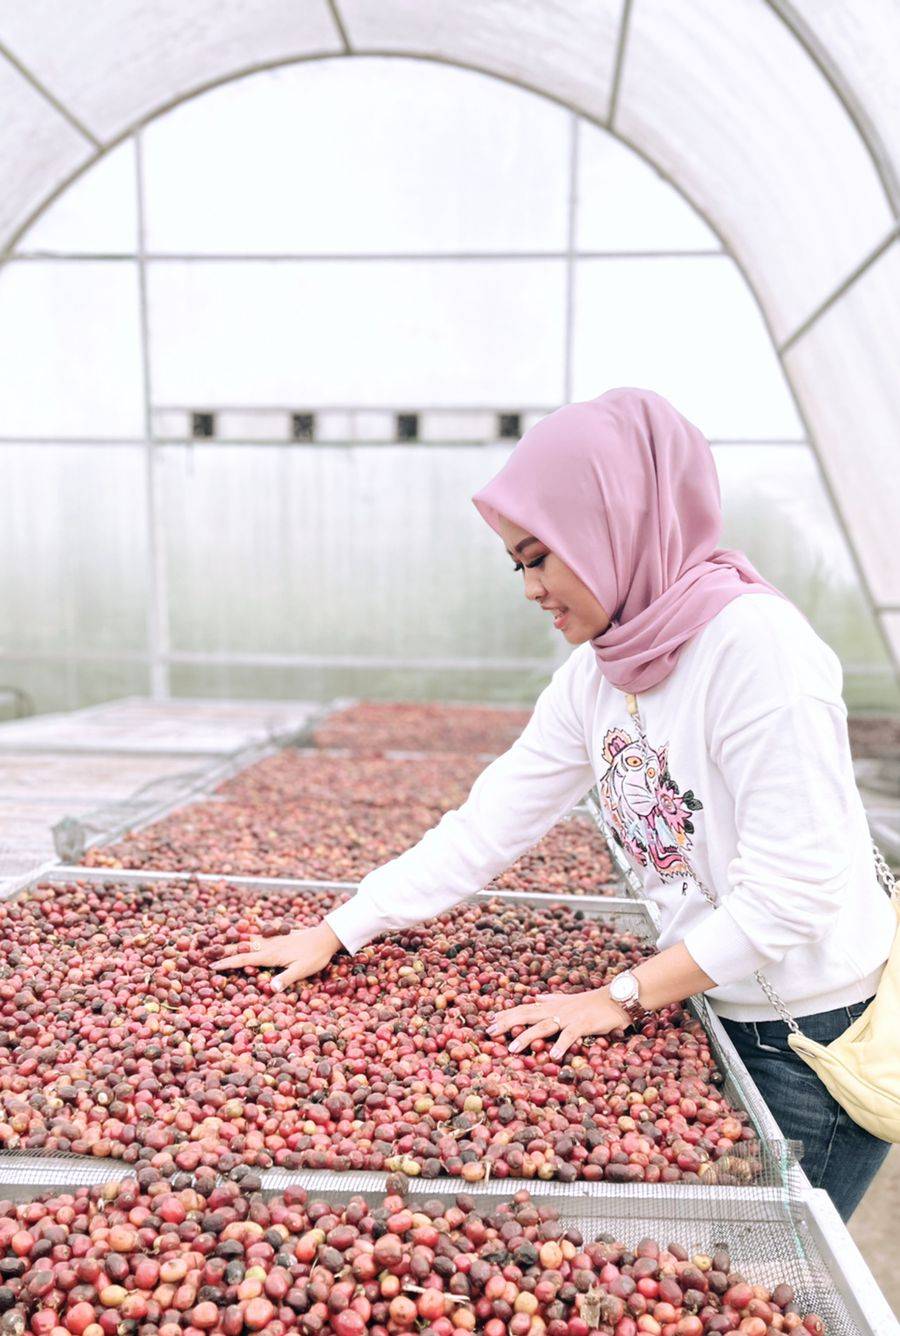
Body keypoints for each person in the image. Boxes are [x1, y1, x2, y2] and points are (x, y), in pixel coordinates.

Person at [218, 387, 894, 1220]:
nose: (530, 587)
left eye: (540, 556)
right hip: (706, 1001)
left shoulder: (757, 651)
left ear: (615, 526)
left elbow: (796, 890)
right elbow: (490, 820)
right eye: (518, 563)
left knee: (763, 1273)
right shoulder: (601, 671)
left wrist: (618, 998)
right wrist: (338, 929)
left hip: (811, 1044)